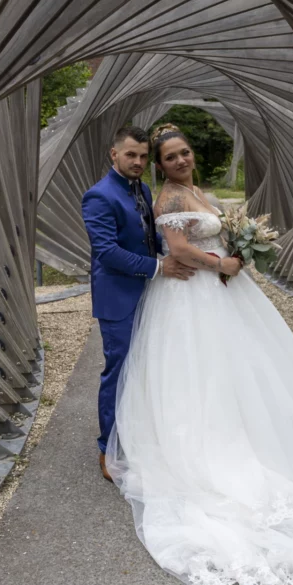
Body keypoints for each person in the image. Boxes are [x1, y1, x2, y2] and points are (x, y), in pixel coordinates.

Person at [104, 123, 293, 585]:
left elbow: (213, 233)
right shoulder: (171, 200)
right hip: (192, 297)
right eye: (170, 157)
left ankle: (258, 435)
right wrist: (223, 263)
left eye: (184, 152)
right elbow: (178, 249)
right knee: (206, 371)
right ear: (158, 165)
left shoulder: (197, 190)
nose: (180, 160)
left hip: (223, 291)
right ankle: (214, 447)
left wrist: (238, 246)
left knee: (245, 368)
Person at [81, 126, 194, 480]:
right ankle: (106, 449)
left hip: (148, 292)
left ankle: (137, 434)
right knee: (118, 371)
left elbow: (146, 238)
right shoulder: (99, 196)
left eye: (144, 156)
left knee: (144, 369)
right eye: (131, 155)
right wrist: (159, 267)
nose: (138, 162)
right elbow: (107, 252)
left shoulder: (142, 189)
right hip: (118, 297)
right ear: (114, 154)